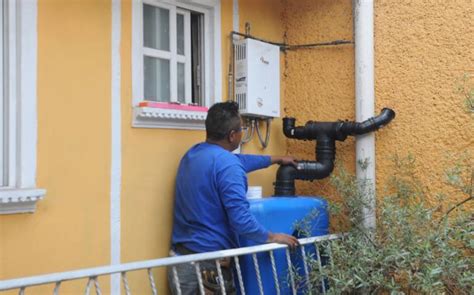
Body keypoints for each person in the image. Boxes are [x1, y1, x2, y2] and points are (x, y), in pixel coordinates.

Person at [168, 101, 299, 294]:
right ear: (232, 135)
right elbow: (241, 220)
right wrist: (273, 237)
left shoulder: (194, 154)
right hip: (208, 269)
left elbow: (239, 161)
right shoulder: (228, 166)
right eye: (241, 129)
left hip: (180, 261)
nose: (242, 133)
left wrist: (276, 159)